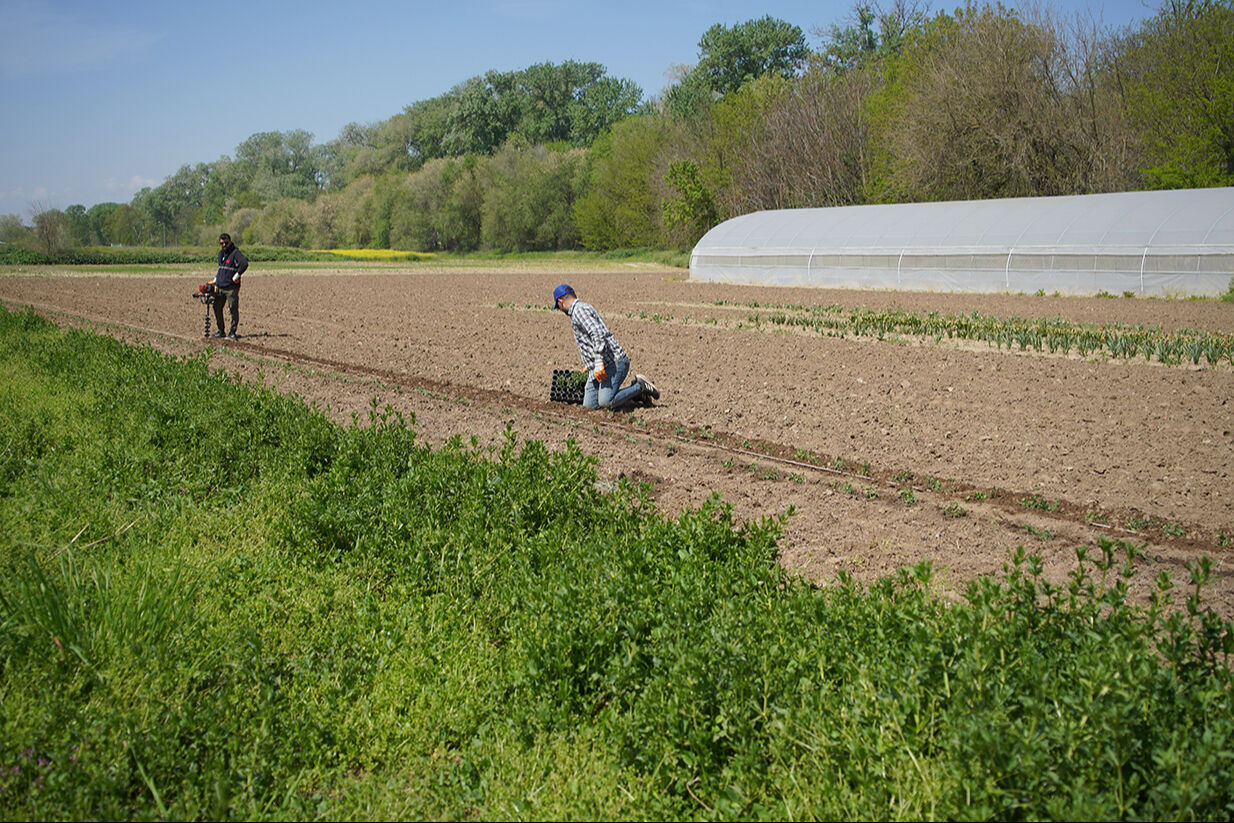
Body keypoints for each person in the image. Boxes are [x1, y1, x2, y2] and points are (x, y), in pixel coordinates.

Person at [552, 283, 660, 409]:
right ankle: (634, 396)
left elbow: (597, 333)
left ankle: (640, 387)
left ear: (560, 302)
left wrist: (598, 363)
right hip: (599, 367)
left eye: (558, 307)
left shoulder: (578, 311)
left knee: (606, 401)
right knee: (589, 407)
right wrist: (590, 365)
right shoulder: (582, 308)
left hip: (614, 362)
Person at [209, 233, 248, 339]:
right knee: (216, 307)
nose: (224, 245)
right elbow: (222, 268)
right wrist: (216, 279)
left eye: (226, 243)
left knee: (233, 309)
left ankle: (232, 332)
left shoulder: (235, 253)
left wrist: (238, 274)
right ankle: (221, 331)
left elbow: (244, 263)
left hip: (231, 288)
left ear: (230, 241)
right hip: (220, 286)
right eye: (222, 243)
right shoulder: (221, 254)